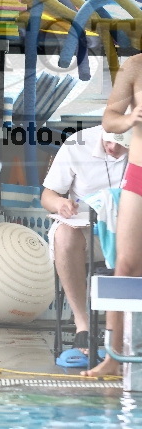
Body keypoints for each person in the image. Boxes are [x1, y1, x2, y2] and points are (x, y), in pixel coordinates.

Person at [41, 125, 130, 355]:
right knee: (64, 234)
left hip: (129, 234)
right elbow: (48, 195)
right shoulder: (77, 143)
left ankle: (126, 332)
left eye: (122, 144)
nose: (113, 148)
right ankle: (83, 324)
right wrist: (60, 203)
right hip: (88, 232)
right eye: (109, 141)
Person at [86, 53, 142, 377]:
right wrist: (130, 118)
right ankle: (114, 357)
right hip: (139, 173)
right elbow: (110, 119)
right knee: (126, 266)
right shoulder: (135, 66)